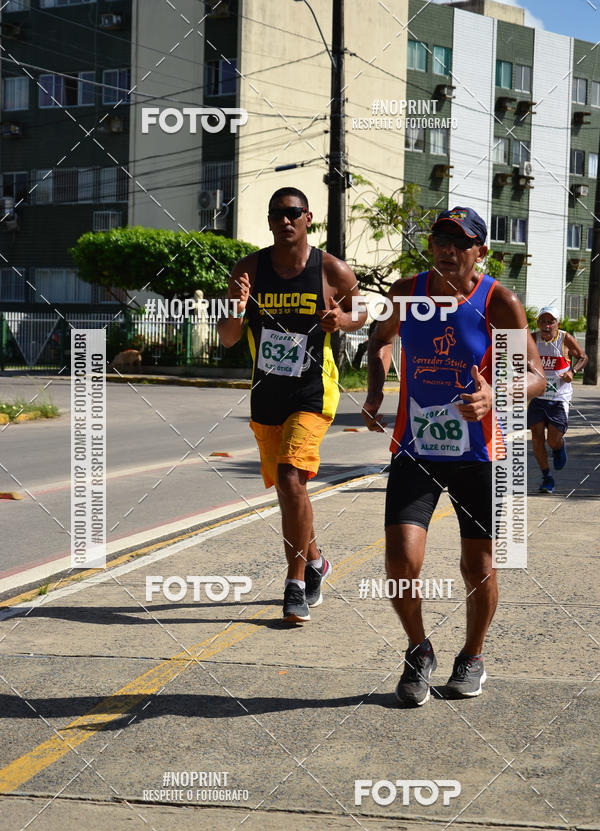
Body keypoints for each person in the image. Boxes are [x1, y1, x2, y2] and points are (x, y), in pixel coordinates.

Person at [362, 207, 546, 705]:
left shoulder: (498, 301)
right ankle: (418, 650)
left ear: (481, 253)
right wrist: (377, 391)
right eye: (439, 240)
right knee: (401, 559)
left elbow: (535, 375)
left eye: (459, 243)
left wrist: (496, 395)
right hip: (416, 447)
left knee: (478, 564)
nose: (447, 250)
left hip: (481, 453)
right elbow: (379, 342)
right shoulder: (405, 293)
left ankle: (472, 656)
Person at [218, 187, 366, 623]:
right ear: (269, 221)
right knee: (290, 489)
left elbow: (363, 312)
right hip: (266, 393)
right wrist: (237, 307)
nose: (285, 220)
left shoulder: (332, 269)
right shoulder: (249, 270)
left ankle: (295, 582)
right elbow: (228, 337)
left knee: (289, 475)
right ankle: (317, 560)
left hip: (312, 390)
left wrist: (343, 320)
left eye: (293, 213)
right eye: (277, 213)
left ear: (308, 218)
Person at [528, 307, 587, 493]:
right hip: (538, 396)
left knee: (552, 440)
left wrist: (572, 371)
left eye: (550, 322)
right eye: (543, 321)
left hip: (559, 397)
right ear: (538, 323)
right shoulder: (532, 339)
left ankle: (558, 446)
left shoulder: (565, 338)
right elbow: (519, 359)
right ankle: (547, 478)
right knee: (537, 437)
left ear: (557, 324)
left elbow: (583, 357)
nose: (547, 326)